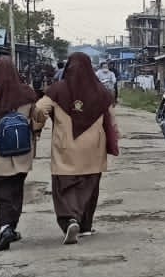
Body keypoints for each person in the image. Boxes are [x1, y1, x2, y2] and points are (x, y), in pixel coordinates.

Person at [34, 52, 121, 245]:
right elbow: (112, 120)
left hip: (66, 145)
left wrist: (37, 127)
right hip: (93, 148)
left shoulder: (57, 89)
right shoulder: (102, 92)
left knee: (64, 186)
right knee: (89, 185)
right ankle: (86, 226)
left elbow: (39, 109)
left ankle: (69, 220)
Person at [0, 57, 41, 251]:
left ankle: (5, 228)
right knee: (15, 190)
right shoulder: (26, 92)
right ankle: (11, 226)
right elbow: (35, 117)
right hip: (21, 148)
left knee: (0, 191)